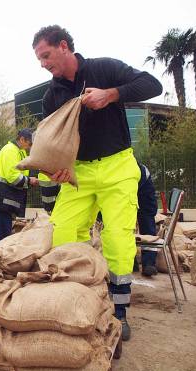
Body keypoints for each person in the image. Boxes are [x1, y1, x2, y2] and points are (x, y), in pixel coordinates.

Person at [32, 25, 162, 341]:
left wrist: (112, 94)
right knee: (60, 229)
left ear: (64, 46)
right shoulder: (52, 96)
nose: (43, 64)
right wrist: (55, 170)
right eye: (39, 59)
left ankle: (119, 311)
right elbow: (53, 141)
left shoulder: (104, 68)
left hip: (118, 166)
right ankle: (72, 295)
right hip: (80, 173)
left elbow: (153, 84)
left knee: (118, 237)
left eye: (46, 55)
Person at [0, 128, 39, 242]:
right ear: (22, 139)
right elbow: (12, 176)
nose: (30, 147)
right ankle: (0, 255)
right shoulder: (10, 150)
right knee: (3, 233)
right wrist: (29, 180)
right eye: (30, 143)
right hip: (2, 198)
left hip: (4, 198)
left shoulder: (19, 152)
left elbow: (20, 171)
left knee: (3, 230)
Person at [137, 162, 158, 277]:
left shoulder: (139, 170)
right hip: (121, 191)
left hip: (144, 192)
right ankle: (131, 262)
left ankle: (149, 263)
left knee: (148, 226)